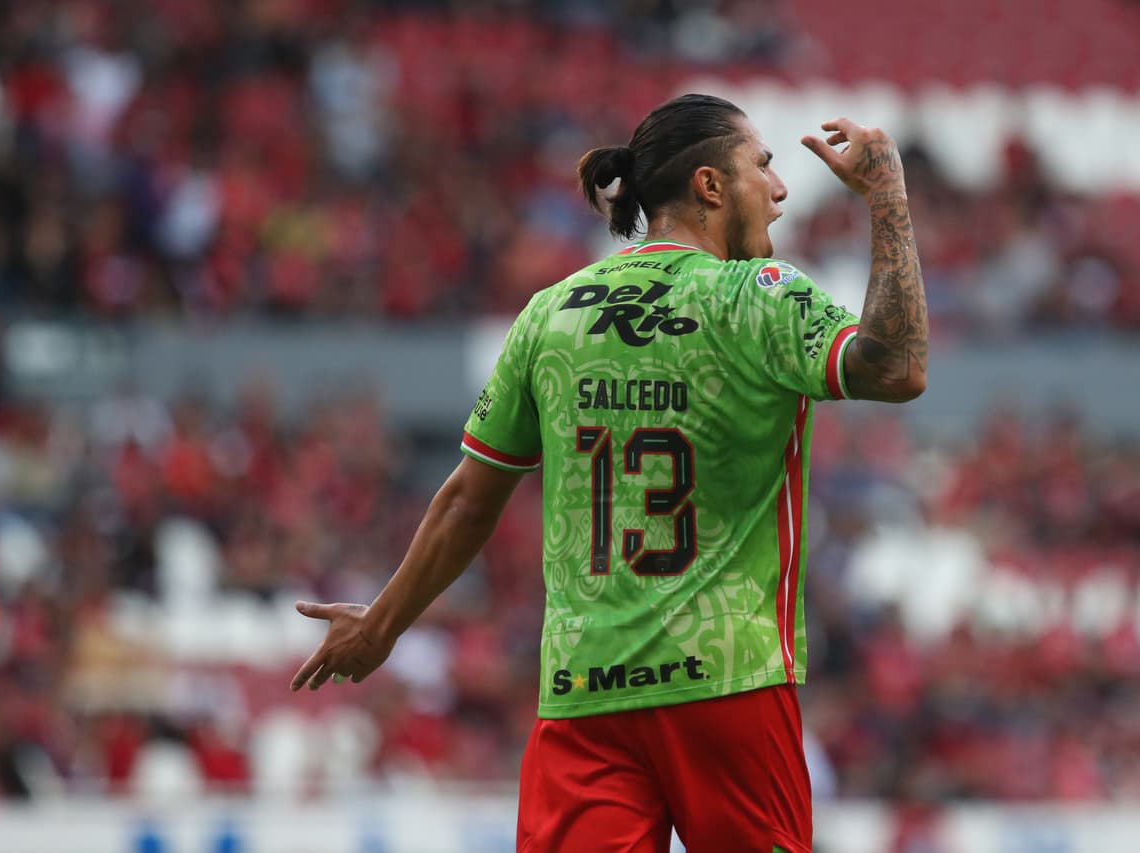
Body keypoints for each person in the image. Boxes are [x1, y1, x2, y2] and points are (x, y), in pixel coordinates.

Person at [290, 93, 928, 853]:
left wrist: (381, 624)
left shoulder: (551, 313)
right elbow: (898, 367)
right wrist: (886, 196)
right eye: (764, 167)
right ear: (710, 186)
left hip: (585, 692)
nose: (781, 189)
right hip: (728, 683)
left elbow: (468, 497)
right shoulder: (757, 299)